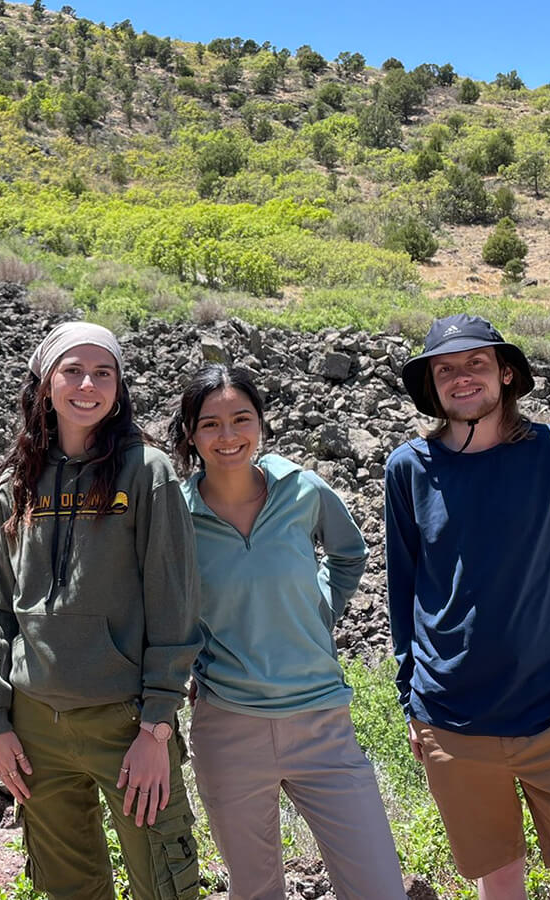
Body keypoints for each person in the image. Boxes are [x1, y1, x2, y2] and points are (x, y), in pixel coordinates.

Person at [384, 314, 550, 900]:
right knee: (501, 884)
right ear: (431, 385)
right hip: (451, 718)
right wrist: (410, 701)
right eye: (445, 368)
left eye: (476, 363)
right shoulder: (408, 469)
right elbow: (403, 590)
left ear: (505, 372)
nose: (461, 377)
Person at [0, 321, 204, 900]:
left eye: (103, 372)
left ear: (119, 387)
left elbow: (174, 606)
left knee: (164, 884)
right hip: (35, 731)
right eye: (72, 370)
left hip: (125, 726)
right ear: (45, 382)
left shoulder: (146, 473)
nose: (87, 384)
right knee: (69, 888)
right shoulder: (18, 483)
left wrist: (156, 727)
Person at [169, 363, 406, 900]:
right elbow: (163, 605)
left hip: (322, 723)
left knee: (378, 887)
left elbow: (349, 554)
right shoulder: (176, 514)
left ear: (261, 424)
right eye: (210, 424)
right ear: (190, 433)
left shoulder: (301, 489)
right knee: (255, 890)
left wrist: (320, 608)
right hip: (229, 728)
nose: (228, 436)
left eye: (241, 419)